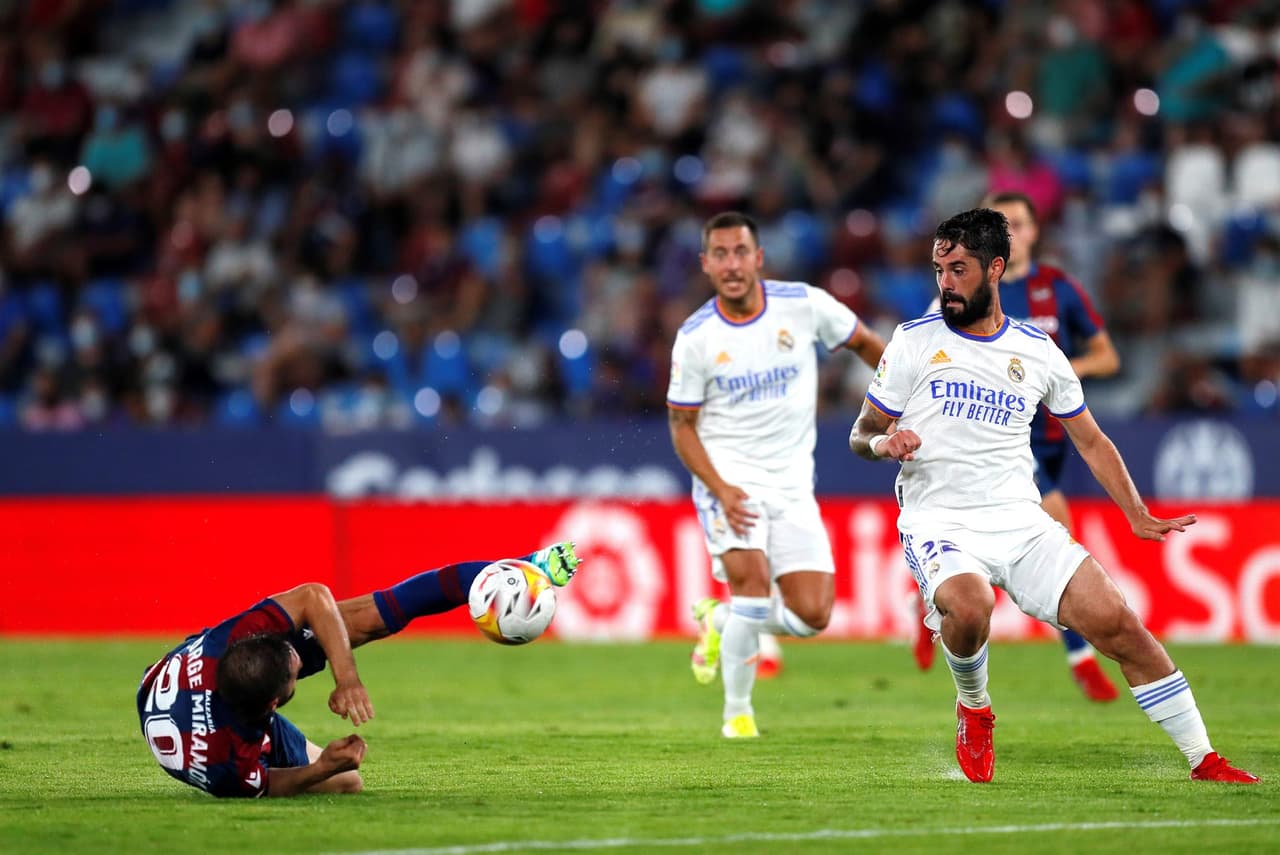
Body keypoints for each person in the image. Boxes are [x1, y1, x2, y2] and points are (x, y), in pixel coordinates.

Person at [847, 207, 1258, 784]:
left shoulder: (1037, 349)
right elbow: (860, 433)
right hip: (939, 519)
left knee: (1121, 626)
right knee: (970, 606)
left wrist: (1137, 513)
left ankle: (1204, 759)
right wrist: (884, 441)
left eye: (959, 269)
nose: (946, 283)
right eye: (939, 270)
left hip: (1022, 521)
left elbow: (1090, 439)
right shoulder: (914, 342)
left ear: (995, 268)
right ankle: (975, 707)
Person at [666, 211, 886, 738]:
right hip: (730, 480)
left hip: (792, 484)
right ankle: (737, 716)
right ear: (706, 264)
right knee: (752, 590)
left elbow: (866, 343)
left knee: (813, 615)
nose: (732, 264)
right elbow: (681, 427)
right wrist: (720, 489)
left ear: (758, 258)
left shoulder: (804, 305)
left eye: (740, 252)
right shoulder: (696, 337)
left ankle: (719, 620)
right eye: (720, 255)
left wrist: (903, 398)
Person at [136, 542, 580, 797]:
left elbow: (313, 595)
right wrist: (324, 767)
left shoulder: (228, 643)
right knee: (347, 782)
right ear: (273, 706)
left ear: (250, 642)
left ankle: (519, 572)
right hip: (211, 736)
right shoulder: (228, 765)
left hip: (181, 683)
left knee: (369, 619)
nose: (300, 660)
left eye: (288, 652)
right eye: (295, 672)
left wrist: (346, 678)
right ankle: (515, 572)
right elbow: (267, 784)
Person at [910, 191, 1122, 703]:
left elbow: (1107, 356)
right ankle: (1080, 659)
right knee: (1058, 523)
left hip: (1050, 438)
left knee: (1025, 544)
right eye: (1001, 222)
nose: (1012, 231)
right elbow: (921, 359)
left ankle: (934, 606)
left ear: (1032, 232)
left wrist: (1060, 374)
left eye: (1019, 223)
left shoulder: (1058, 289)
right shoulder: (961, 292)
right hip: (997, 446)